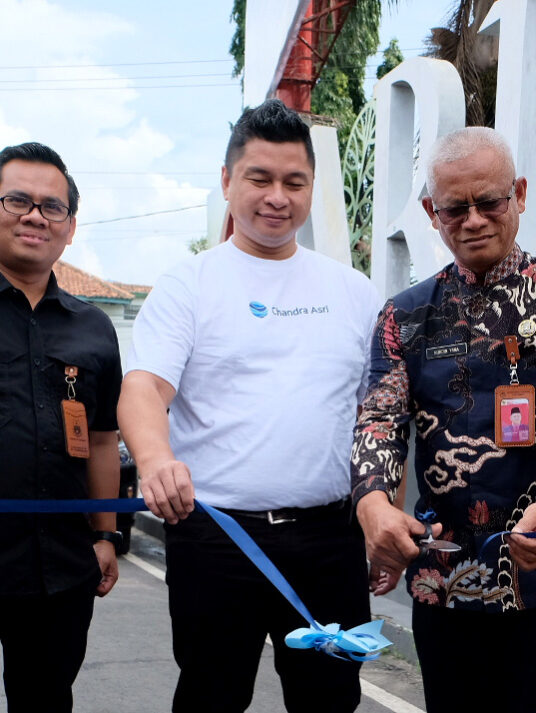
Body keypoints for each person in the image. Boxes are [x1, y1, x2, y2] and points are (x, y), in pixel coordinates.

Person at [118, 99, 380, 713]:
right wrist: (155, 460)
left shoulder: (354, 292)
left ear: (312, 187)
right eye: (260, 178)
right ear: (228, 181)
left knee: (330, 700)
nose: (276, 197)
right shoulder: (190, 284)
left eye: (295, 182)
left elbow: (379, 417)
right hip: (216, 537)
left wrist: (380, 519)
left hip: (329, 540)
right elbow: (143, 387)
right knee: (212, 693)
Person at [350, 126, 536, 713]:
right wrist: (372, 503)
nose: (473, 219)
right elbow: (380, 419)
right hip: (445, 567)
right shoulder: (405, 314)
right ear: (431, 212)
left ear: (519, 194)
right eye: (454, 208)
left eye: (489, 201)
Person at [0, 142, 121, 712]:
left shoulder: (94, 328)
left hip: (61, 566)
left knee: (46, 700)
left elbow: (101, 438)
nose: (33, 215)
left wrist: (103, 536)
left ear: (70, 228)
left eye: (52, 207)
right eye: (17, 199)